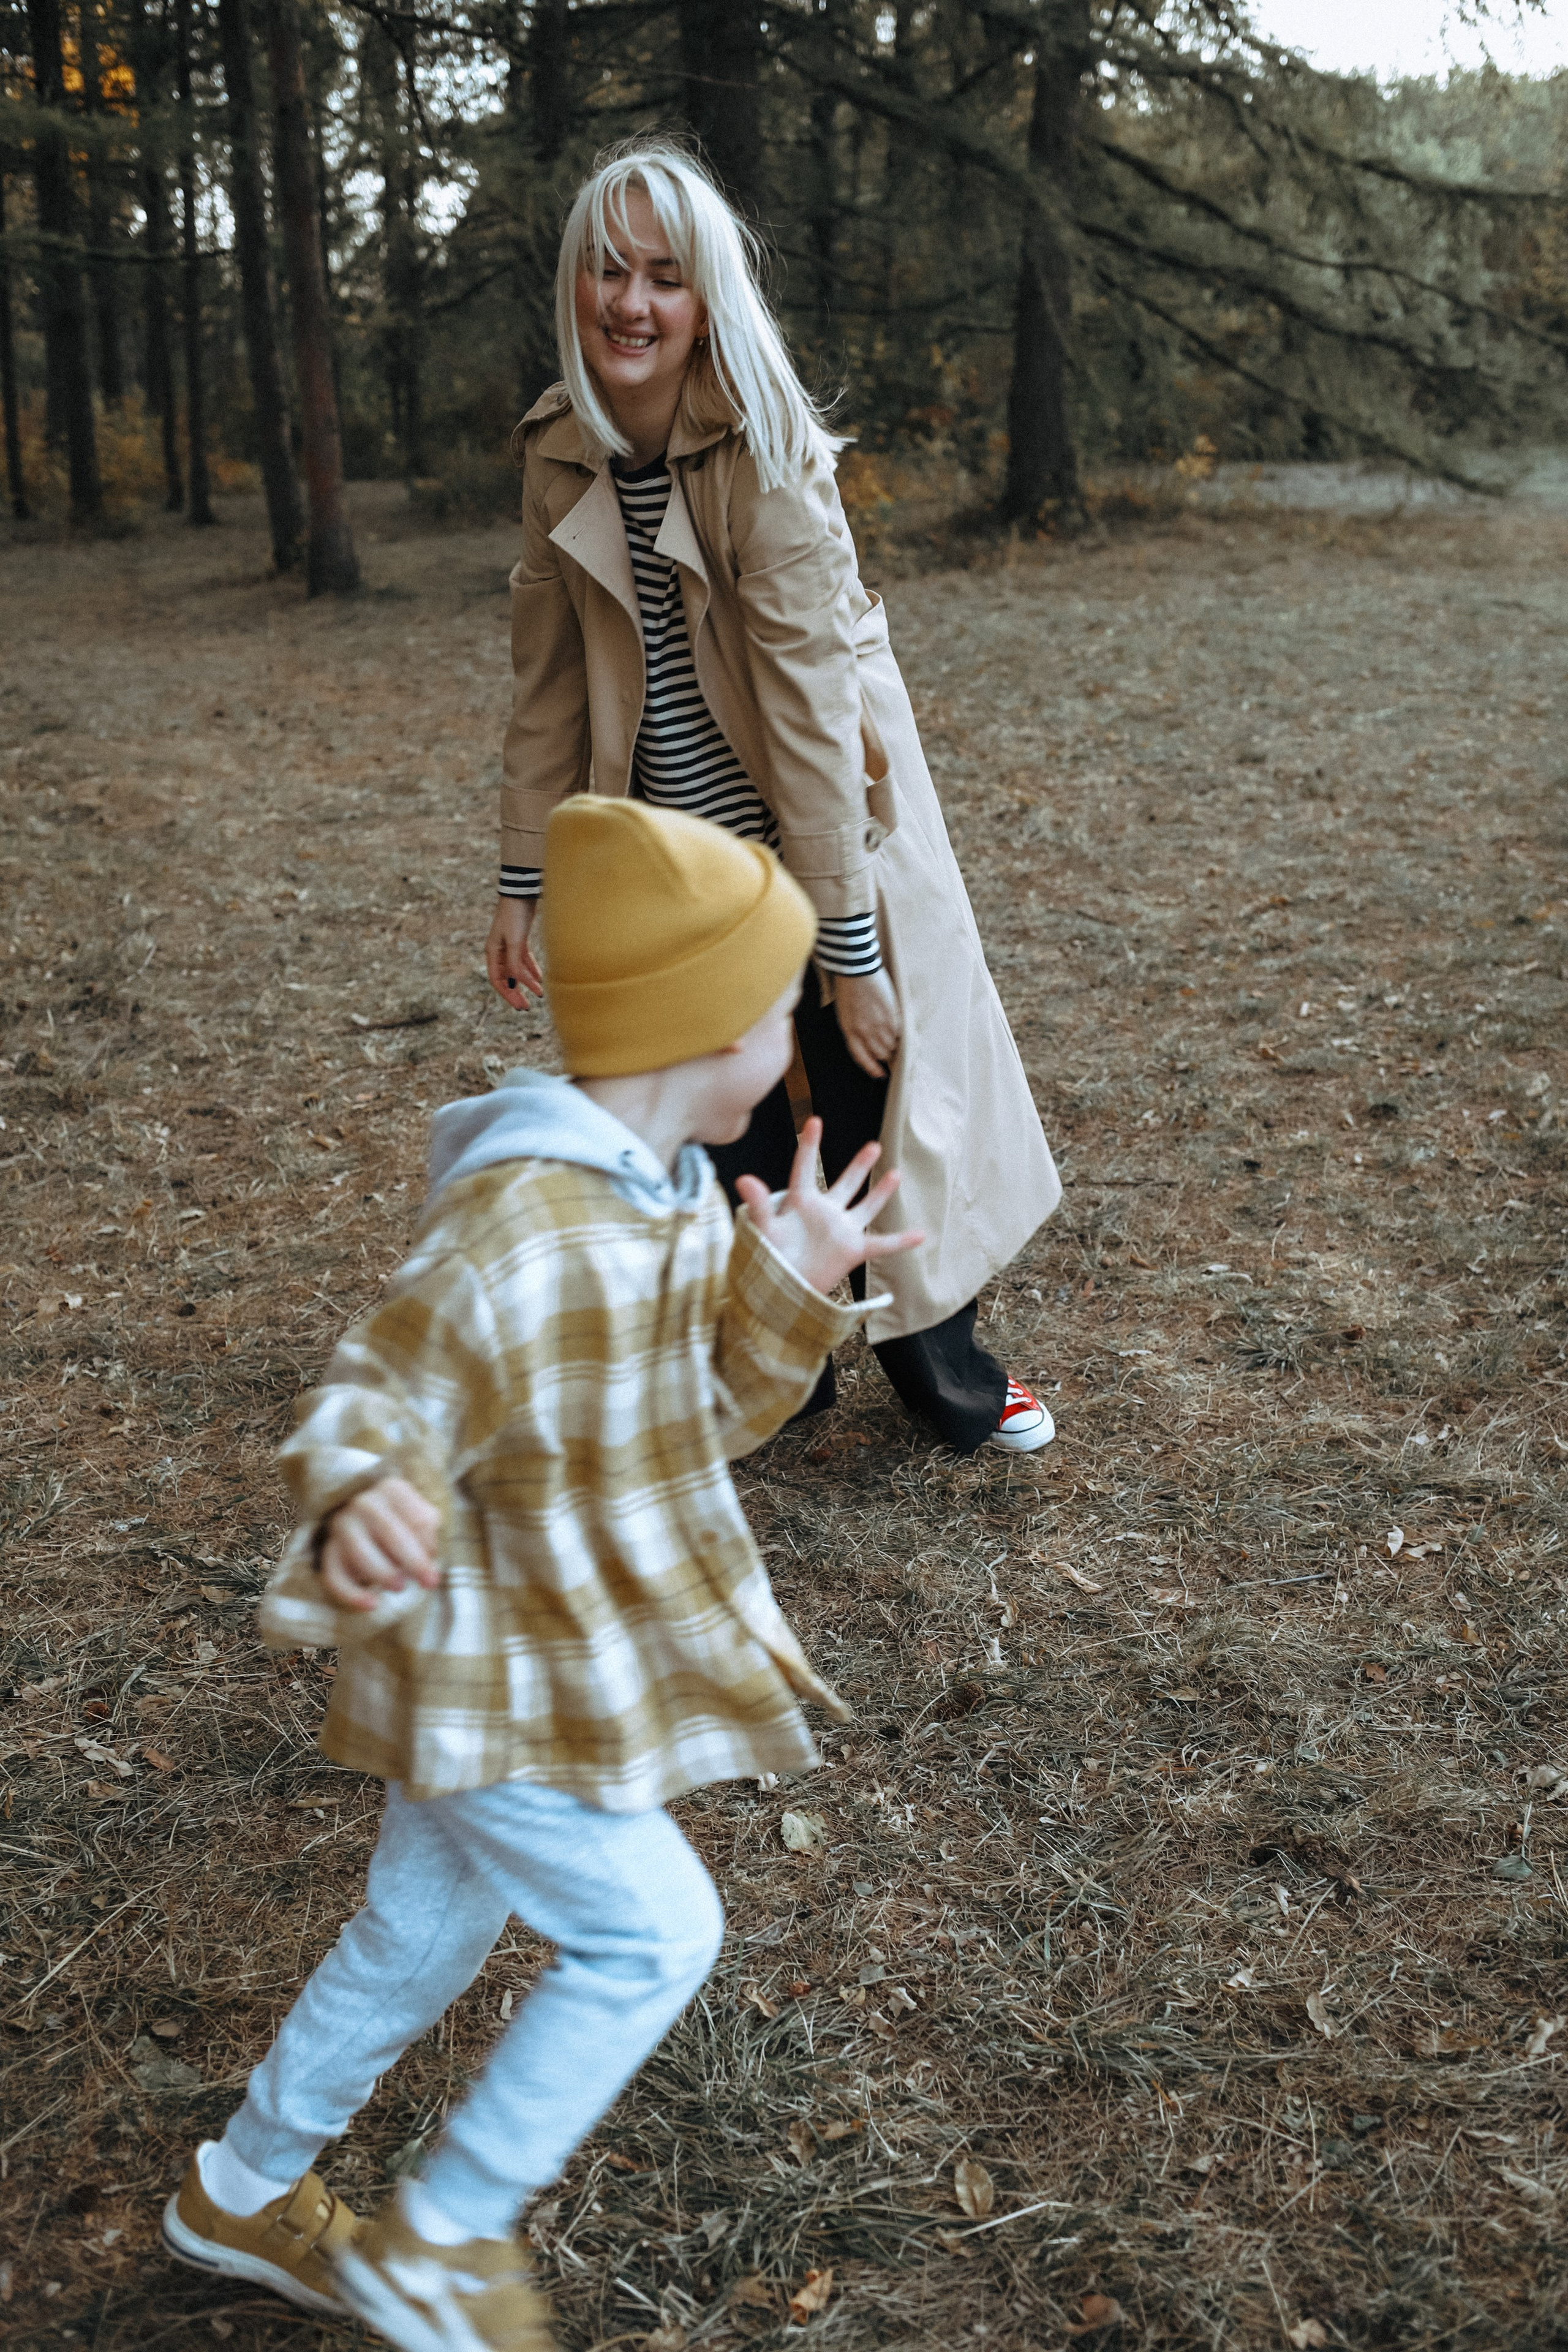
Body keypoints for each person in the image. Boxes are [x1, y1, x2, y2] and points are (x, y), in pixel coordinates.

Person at [159, 799, 919, 2352]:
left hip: (533, 1648)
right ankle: (442, 2239)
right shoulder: (520, 1219)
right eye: (777, 1005)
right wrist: (366, 1487)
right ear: (702, 1025)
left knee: (420, 1933)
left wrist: (784, 1287)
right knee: (653, 1933)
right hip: (487, 1663)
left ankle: (243, 2185)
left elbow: (699, 1416)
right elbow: (382, 1380)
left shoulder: (666, 1197)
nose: (791, 1033)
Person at [486, 138, 1061, 1460]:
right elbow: (545, 685)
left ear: (705, 302)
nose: (631, 303)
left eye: (665, 277)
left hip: (817, 816)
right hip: (675, 847)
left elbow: (808, 719)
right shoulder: (559, 446)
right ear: (574, 281)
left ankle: (941, 1373)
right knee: (721, 1104)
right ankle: (777, 1370)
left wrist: (850, 950)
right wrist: (523, 879)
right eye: (606, 268)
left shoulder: (765, 451)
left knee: (872, 1098)